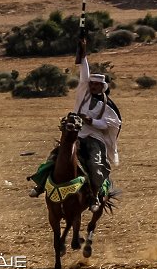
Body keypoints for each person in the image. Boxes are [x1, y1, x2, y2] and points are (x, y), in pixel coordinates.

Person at [28, 39, 122, 212]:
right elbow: (84, 73)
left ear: (103, 87)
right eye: (92, 84)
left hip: (95, 139)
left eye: (97, 85)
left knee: (95, 164)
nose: (93, 86)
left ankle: (94, 196)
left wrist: (91, 121)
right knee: (55, 156)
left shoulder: (108, 107)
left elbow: (109, 125)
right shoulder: (82, 95)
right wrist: (83, 53)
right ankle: (40, 185)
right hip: (76, 135)